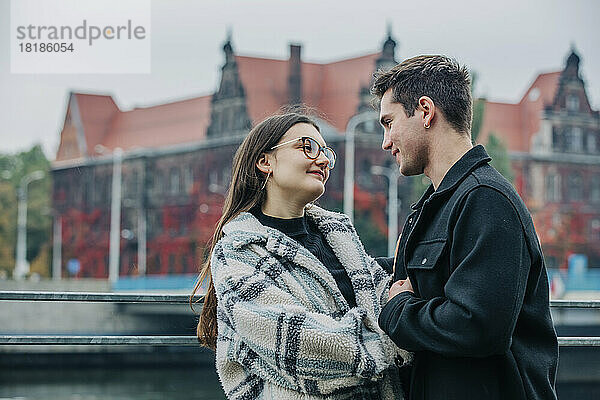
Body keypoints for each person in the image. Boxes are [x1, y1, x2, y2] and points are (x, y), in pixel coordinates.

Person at [371, 55, 559, 400]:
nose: (385, 141)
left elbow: (476, 326)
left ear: (425, 112)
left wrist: (397, 310)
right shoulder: (440, 203)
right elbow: (416, 280)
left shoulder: (485, 199)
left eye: (389, 122)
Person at [192, 111, 409, 399]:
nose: (322, 160)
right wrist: (397, 342)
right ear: (264, 161)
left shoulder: (339, 237)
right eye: (307, 147)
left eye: (326, 153)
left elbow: (388, 294)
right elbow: (299, 342)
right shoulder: (238, 252)